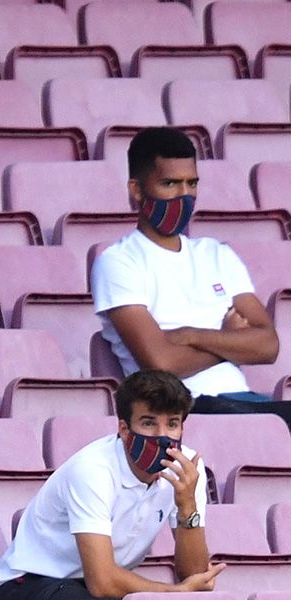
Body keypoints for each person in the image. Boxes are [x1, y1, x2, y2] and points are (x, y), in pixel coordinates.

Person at [0, 369, 223, 600]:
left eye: (173, 423)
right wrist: (174, 595)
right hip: (23, 591)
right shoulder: (93, 470)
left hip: (82, 593)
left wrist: (186, 509)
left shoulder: (187, 470)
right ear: (124, 428)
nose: (163, 436)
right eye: (149, 423)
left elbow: (194, 575)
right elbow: (103, 582)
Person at [90, 126, 291, 429]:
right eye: (169, 183)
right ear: (136, 190)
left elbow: (267, 345)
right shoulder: (118, 262)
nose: (183, 195)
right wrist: (229, 340)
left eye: (191, 184)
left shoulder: (216, 254)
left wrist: (191, 336)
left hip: (246, 402)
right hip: (183, 409)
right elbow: (160, 366)